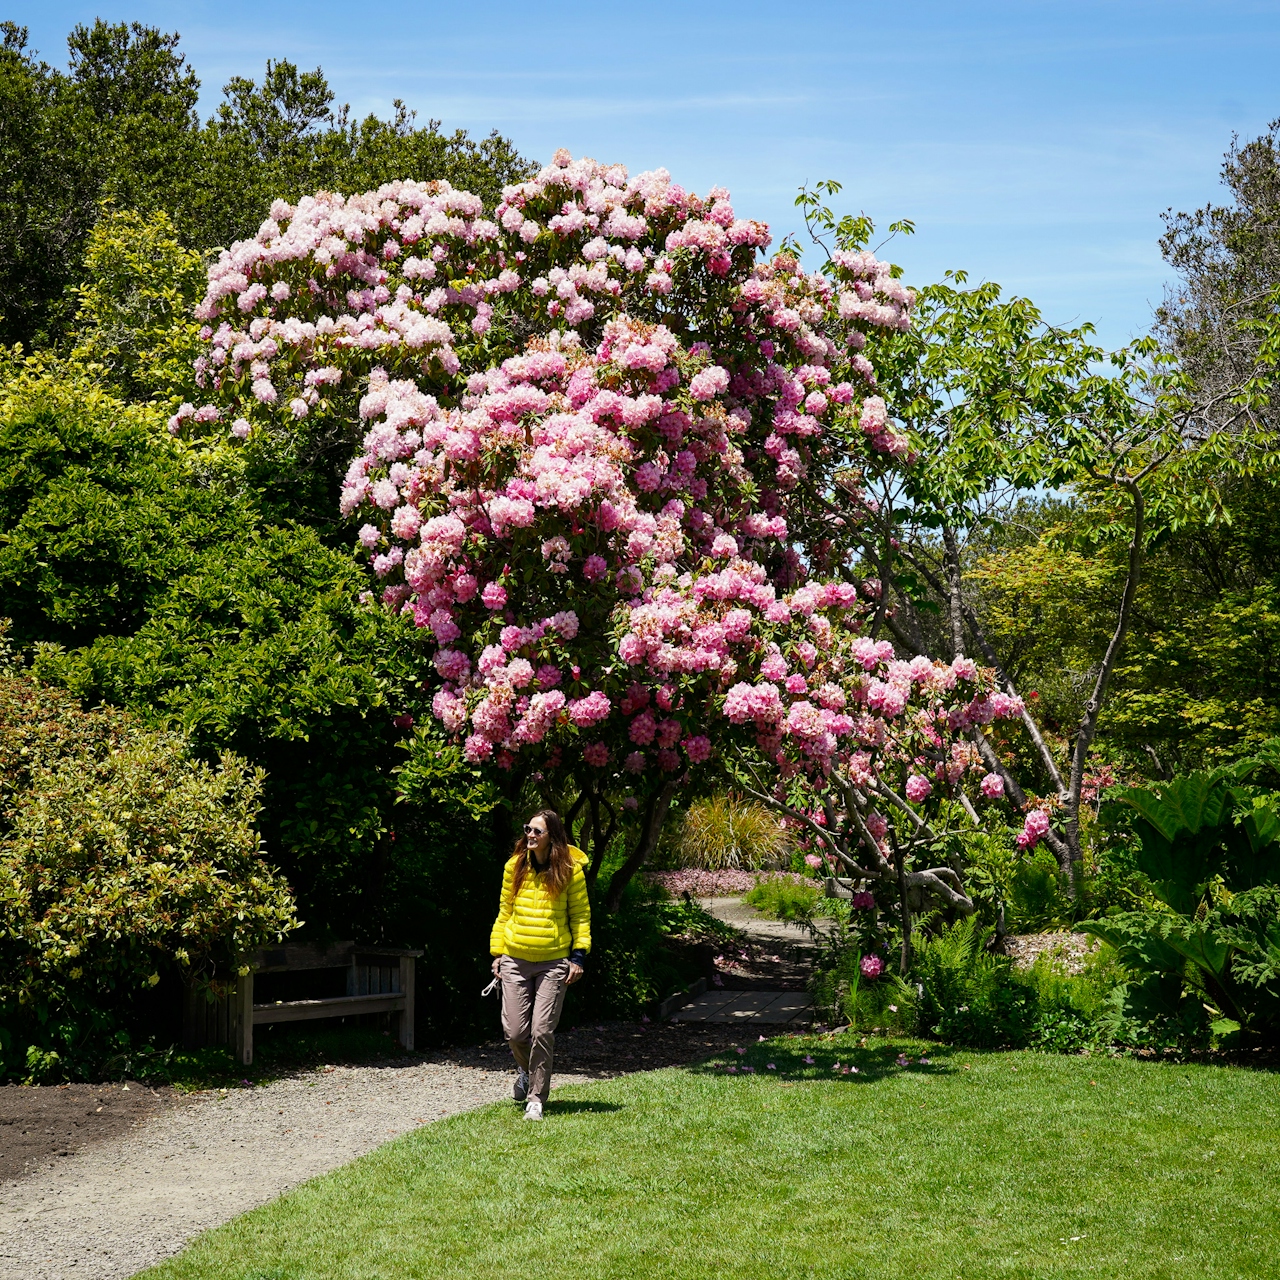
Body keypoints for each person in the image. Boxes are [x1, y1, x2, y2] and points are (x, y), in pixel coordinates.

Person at [490, 809, 590, 1119]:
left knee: (542, 1031)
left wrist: (578, 957)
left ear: (553, 837)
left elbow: (581, 916)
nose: (530, 836)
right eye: (528, 830)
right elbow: (504, 912)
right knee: (515, 1033)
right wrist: (498, 954)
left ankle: (536, 1098)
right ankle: (526, 1071)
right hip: (515, 958)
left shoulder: (570, 871)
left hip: (553, 962)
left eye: (537, 831)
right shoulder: (514, 866)